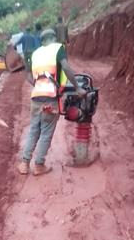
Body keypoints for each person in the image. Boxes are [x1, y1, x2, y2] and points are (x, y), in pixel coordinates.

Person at [18, 28, 86, 176]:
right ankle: (39, 165)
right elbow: (66, 67)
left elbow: (28, 76)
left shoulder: (36, 53)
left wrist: (38, 85)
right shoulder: (58, 48)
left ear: (42, 41)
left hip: (36, 97)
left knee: (33, 131)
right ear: (54, 38)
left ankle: (24, 163)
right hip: (50, 98)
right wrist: (77, 88)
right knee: (46, 133)